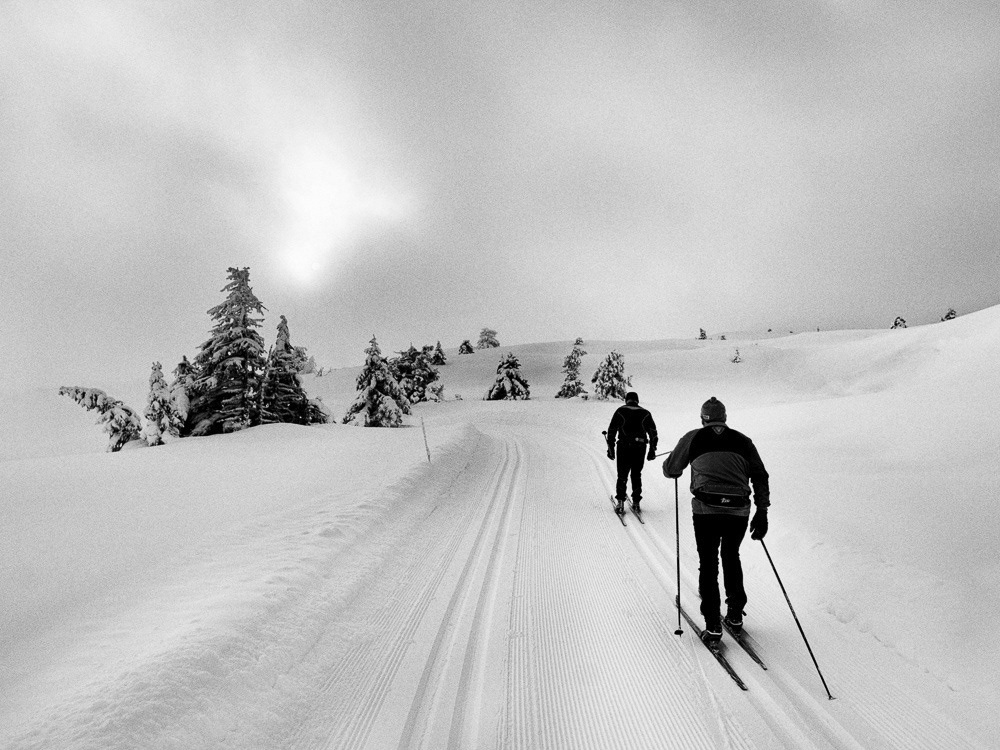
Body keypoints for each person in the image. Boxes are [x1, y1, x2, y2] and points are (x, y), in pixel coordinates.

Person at [662, 397, 769, 643]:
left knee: (708, 562)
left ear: (703, 419)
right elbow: (760, 475)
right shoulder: (743, 441)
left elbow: (671, 470)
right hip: (738, 511)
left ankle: (713, 624)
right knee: (731, 556)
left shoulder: (693, 437)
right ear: (725, 418)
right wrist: (762, 511)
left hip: (705, 510)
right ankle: (734, 614)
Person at [605, 391, 658, 514]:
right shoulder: (645, 413)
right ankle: (636, 502)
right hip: (640, 447)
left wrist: (611, 449)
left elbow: (612, 431)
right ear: (637, 400)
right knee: (636, 474)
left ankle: (620, 502)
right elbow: (653, 433)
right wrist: (652, 450)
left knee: (622, 475)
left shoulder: (620, 411)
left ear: (626, 400)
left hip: (623, 447)